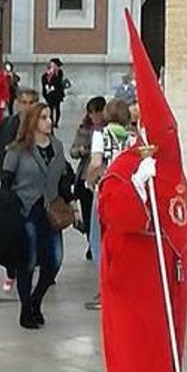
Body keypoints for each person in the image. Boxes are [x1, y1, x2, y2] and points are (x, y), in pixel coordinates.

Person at [99, 15, 187, 372]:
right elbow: (112, 214)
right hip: (133, 273)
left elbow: (182, 214)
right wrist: (138, 191)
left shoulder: (172, 169)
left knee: (164, 349)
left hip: (166, 275)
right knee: (135, 348)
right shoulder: (128, 166)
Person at [1, 102, 74, 329]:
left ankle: (36, 300)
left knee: (55, 259)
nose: (49, 121)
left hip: (50, 209)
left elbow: (63, 177)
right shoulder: (17, 150)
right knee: (29, 260)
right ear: (33, 121)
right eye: (43, 117)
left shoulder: (57, 146)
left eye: (49, 117)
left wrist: (71, 201)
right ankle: (26, 308)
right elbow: (6, 181)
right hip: (26, 209)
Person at [84, 100, 135, 310]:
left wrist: (89, 180)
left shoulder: (100, 135)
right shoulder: (132, 138)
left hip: (106, 190)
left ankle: (106, 287)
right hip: (128, 192)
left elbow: (96, 163)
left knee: (98, 240)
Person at [0, 88, 39, 291]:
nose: (26, 107)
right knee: (11, 230)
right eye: (23, 102)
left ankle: (30, 264)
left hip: (32, 187)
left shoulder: (40, 127)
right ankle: (11, 270)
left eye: (30, 103)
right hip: (9, 186)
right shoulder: (7, 124)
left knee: (31, 230)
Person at [69, 96, 106, 261]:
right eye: (91, 113)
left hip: (103, 176)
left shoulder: (109, 130)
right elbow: (73, 151)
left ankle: (99, 244)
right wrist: (81, 150)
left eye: (97, 113)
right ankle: (92, 243)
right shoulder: (84, 128)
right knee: (88, 213)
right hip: (85, 176)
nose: (94, 117)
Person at [41, 58, 67, 128]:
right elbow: (44, 80)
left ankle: (56, 122)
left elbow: (58, 82)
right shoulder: (47, 73)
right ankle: (51, 121)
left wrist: (55, 73)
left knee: (58, 108)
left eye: (54, 64)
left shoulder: (59, 72)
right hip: (49, 94)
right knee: (50, 108)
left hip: (57, 93)